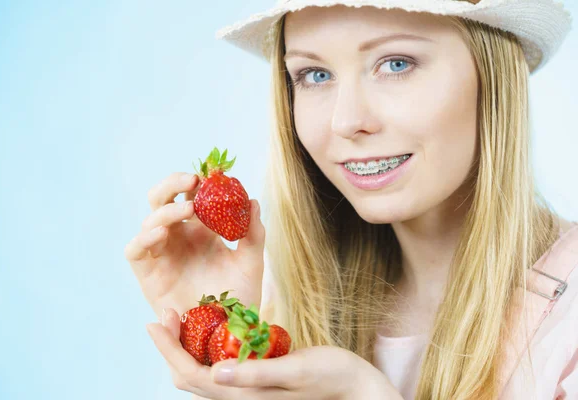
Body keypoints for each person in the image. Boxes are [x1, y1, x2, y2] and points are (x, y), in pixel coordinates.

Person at [124, 1, 577, 399]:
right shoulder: (290, 307)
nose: (346, 121)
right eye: (314, 75)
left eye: (396, 63)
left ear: (491, 76)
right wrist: (227, 339)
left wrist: (362, 393)